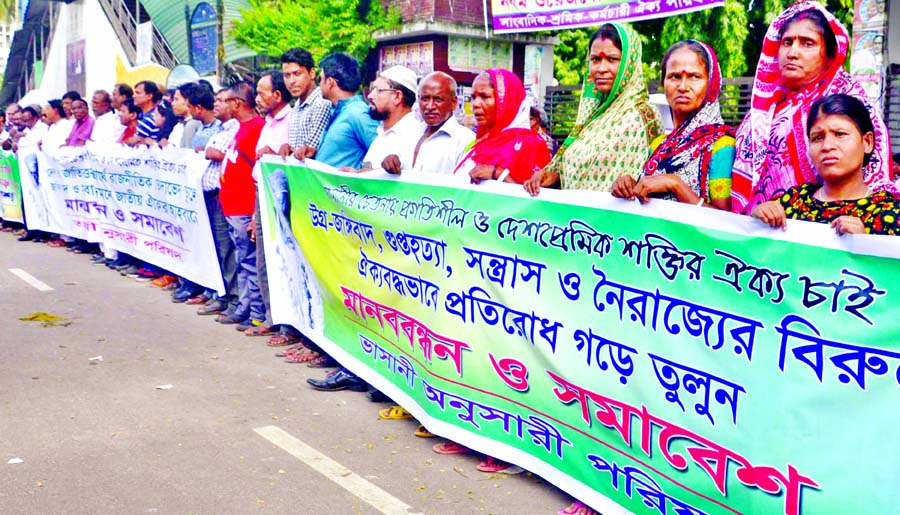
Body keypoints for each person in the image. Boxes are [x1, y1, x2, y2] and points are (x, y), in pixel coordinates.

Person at [731, 1, 894, 214]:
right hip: (758, 232)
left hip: (825, 232)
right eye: (787, 42)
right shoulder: (763, 110)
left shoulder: (849, 99)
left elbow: (874, 178)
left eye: (807, 43)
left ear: (829, 55)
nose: (792, 53)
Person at [524, 23, 663, 195]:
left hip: (616, 220)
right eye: (595, 59)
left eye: (612, 59)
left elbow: (651, 180)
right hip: (572, 218)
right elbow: (578, 171)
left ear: (630, 63)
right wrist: (551, 176)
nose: (601, 69)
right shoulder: (590, 116)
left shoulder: (645, 115)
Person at [751, 94, 900, 236]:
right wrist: (757, 221)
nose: (827, 146)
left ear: (867, 142)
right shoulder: (793, 201)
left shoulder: (888, 214)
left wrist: (864, 247)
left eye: (840, 134)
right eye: (817, 138)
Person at [611, 40, 735, 210]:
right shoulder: (658, 145)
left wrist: (675, 185)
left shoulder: (722, 146)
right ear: (663, 83)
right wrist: (629, 187)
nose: (683, 87)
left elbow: (729, 223)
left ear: (711, 83)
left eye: (694, 77)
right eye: (674, 76)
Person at [217, 82, 266, 329]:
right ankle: (246, 306)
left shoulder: (256, 128)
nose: (224, 105)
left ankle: (256, 312)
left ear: (236, 103)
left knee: (249, 261)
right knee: (242, 260)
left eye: (227, 101)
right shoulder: (243, 128)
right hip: (233, 205)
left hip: (245, 206)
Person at [247, 70, 292, 337]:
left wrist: (274, 155)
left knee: (280, 259)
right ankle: (270, 316)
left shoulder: (289, 120)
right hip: (260, 193)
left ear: (277, 95)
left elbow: (286, 159)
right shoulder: (269, 121)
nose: (258, 97)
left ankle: (284, 322)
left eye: (262, 92)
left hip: (278, 198)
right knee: (263, 258)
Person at [453, 69, 551, 184]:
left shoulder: (529, 144)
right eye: (473, 97)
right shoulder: (481, 143)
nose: (475, 104)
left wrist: (498, 174)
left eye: (485, 97)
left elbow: (533, 199)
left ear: (507, 102)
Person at [196, 88, 241, 319]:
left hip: (224, 195)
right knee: (216, 248)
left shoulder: (236, 128)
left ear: (235, 104)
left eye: (222, 101)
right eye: (216, 100)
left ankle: (233, 299)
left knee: (227, 249)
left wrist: (210, 152)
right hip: (211, 196)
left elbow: (230, 157)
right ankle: (220, 293)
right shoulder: (220, 129)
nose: (216, 104)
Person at [381, 71, 475, 175]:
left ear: (453, 103)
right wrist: (389, 163)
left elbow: (463, 186)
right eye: (425, 99)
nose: (430, 106)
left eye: (438, 100)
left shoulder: (465, 140)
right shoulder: (409, 134)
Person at [314, 52, 379, 169]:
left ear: (330, 82)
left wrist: (359, 173)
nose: (318, 84)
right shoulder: (338, 110)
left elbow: (381, 155)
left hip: (346, 186)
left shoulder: (358, 113)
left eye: (320, 78)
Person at [351, 65, 420, 172]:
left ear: (397, 97)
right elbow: (369, 168)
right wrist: (356, 174)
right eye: (372, 89)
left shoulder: (414, 137)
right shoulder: (382, 131)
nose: (370, 96)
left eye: (378, 90)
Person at [278, 47, 332, 161]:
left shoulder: (321, 103)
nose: (291, 81)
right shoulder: (296, 107)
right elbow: (296, 152)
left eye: (297, 74)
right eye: (287, 75)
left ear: (312, 73)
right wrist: (286, 149)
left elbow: (308, 153)